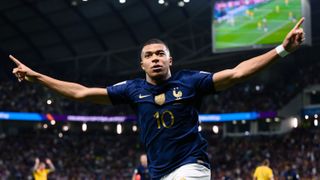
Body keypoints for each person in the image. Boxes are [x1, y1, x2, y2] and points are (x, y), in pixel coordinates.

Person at [10, 18, 305, 180]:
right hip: (158, 172)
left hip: (192, 166)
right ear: (142, 64)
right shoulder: (132, 89)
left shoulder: (191, 81)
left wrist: (282, 50)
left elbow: (237, 73)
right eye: (148, 56)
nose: (154, 59)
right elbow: (81, 92)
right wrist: (37, 77)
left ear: (170, 60)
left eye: (159, 54)